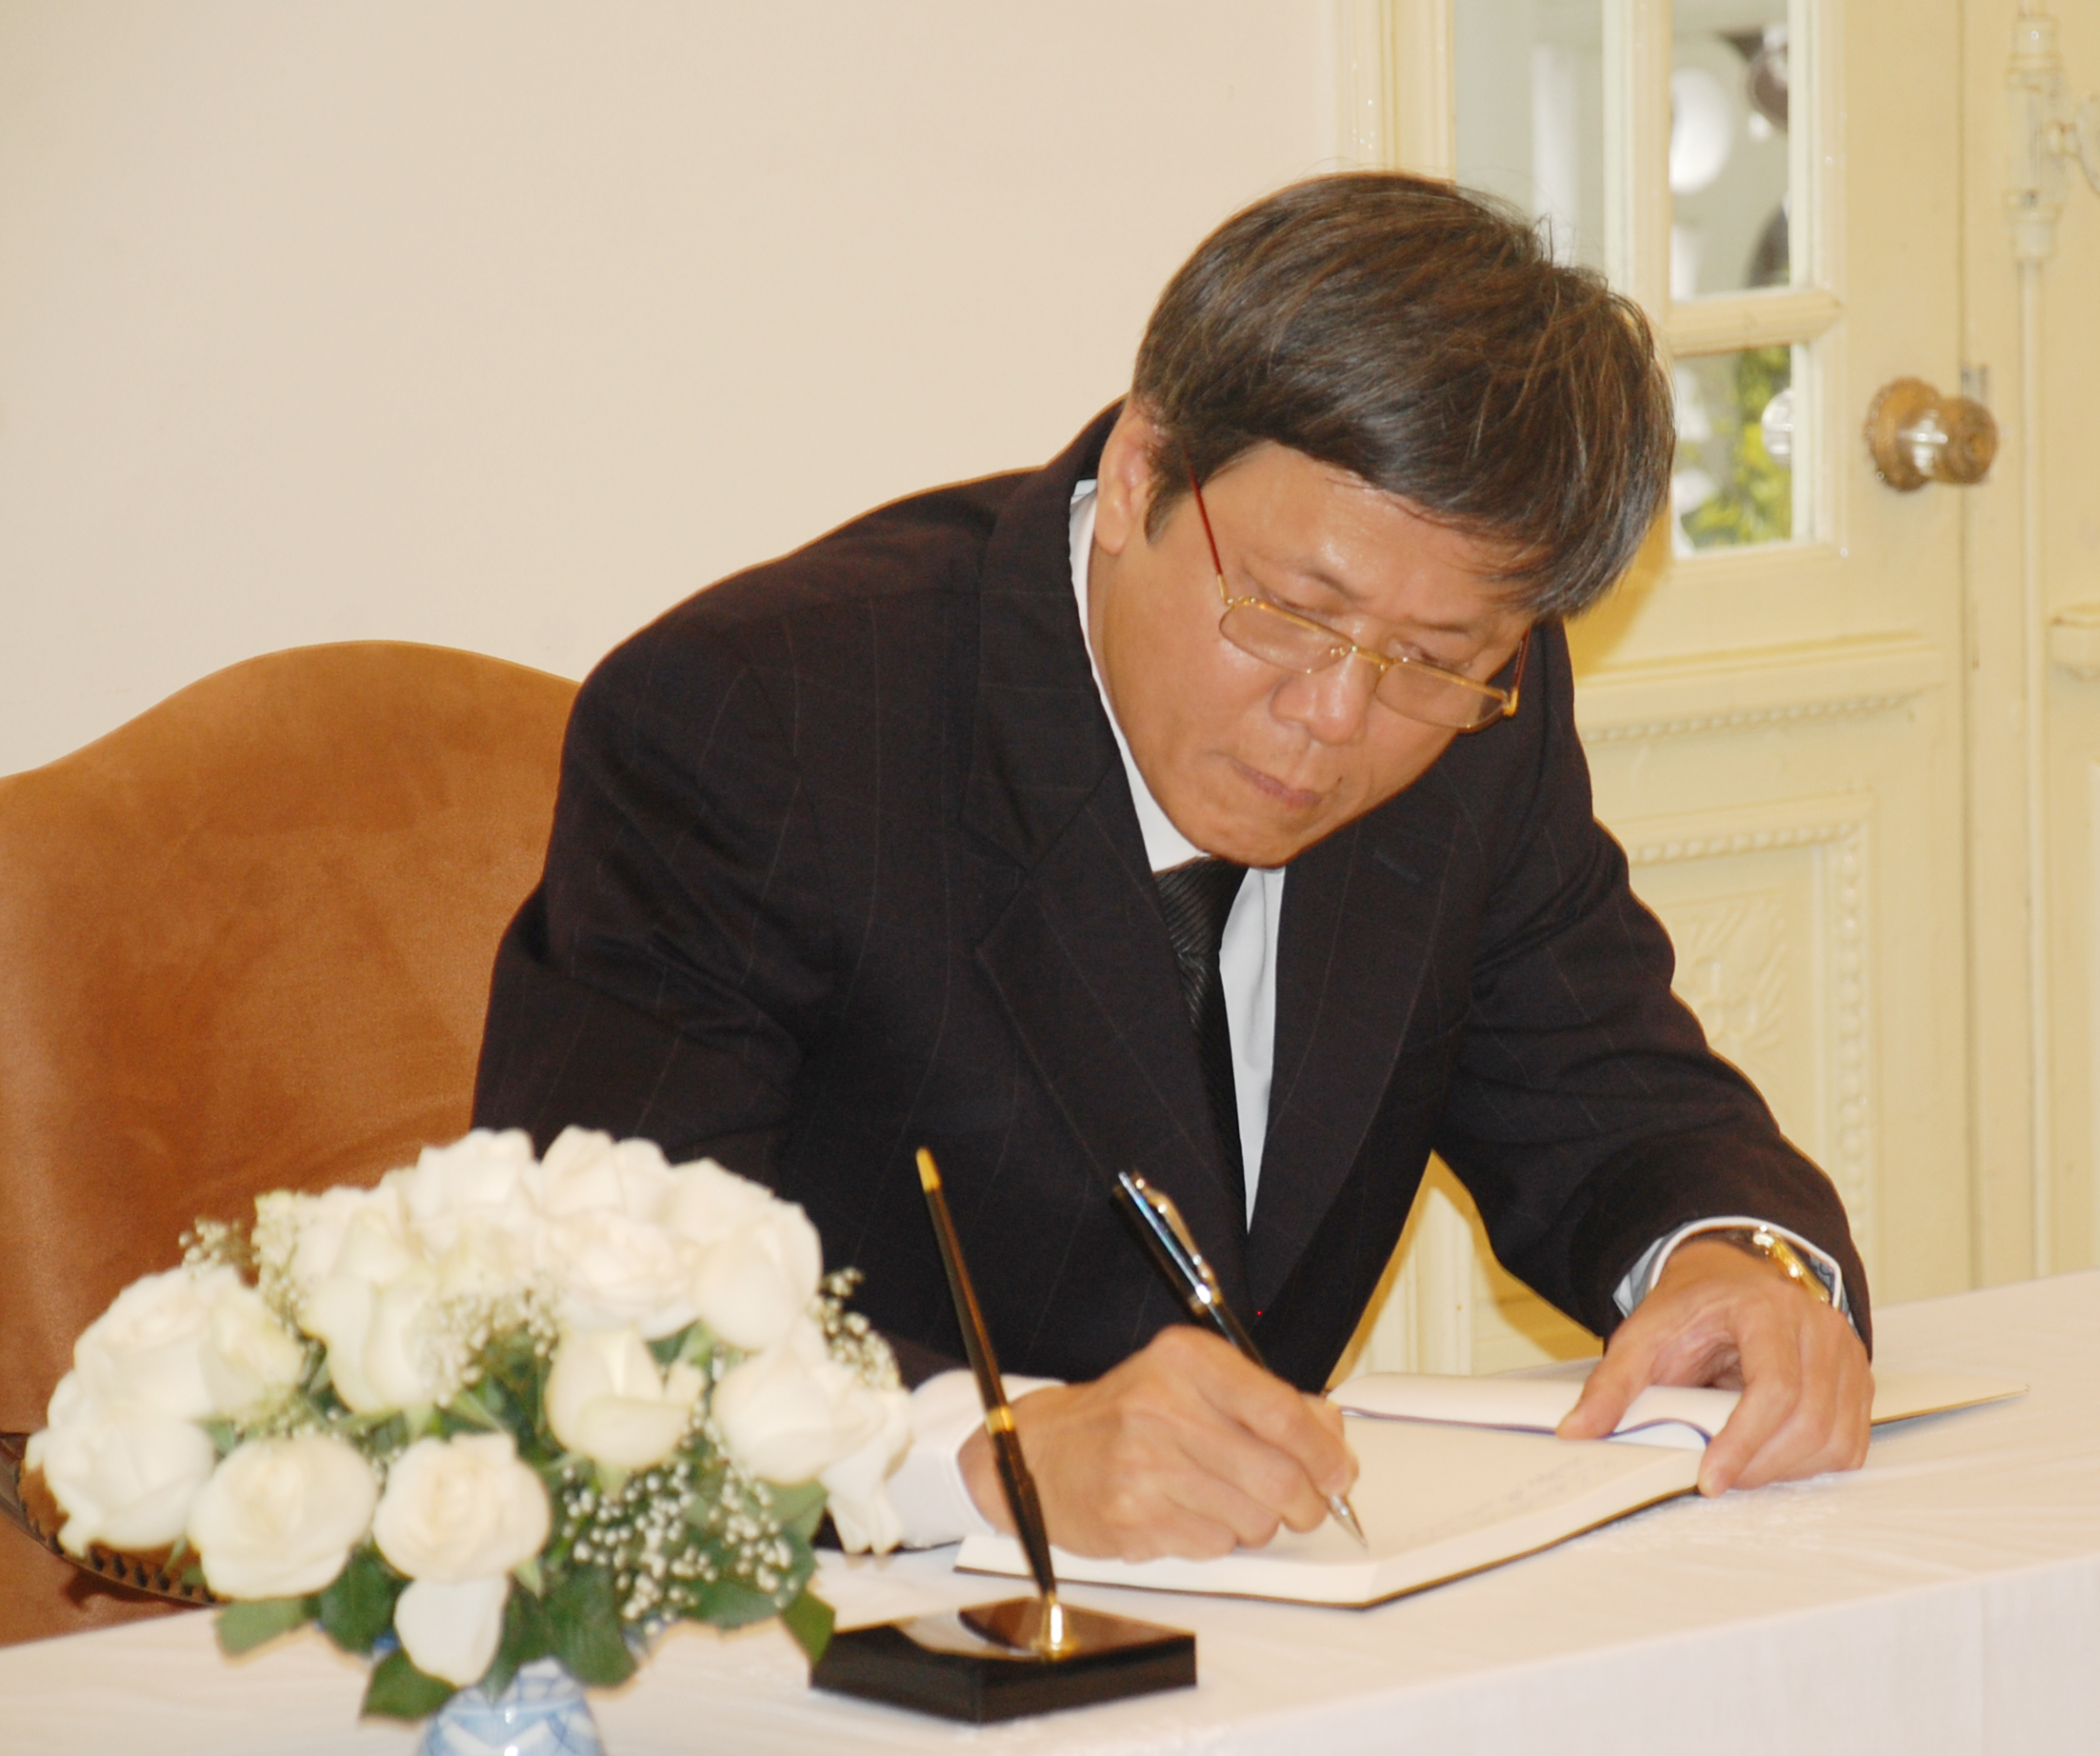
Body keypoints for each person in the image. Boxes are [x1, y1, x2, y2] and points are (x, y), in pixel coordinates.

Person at [474, 172, 1873, 1563]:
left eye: (1433, 659)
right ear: (1143, 474)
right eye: (1291, 611)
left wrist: (1735, 1265)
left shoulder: (1475, 720)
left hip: (1274, 1611)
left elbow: (1615, 1100)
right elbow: (598, 1300)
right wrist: (991, 1454)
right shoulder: (761, 724)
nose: (1338, 714)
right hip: (857, 1610)